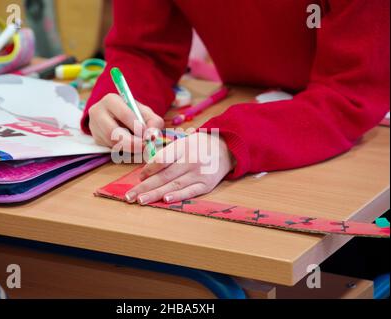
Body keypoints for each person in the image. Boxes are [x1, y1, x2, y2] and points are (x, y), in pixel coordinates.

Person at [81, 0, 389, 205]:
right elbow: (144, 50)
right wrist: (122, 103)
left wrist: (229, 142)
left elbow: (349, 95)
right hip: (258, 106)